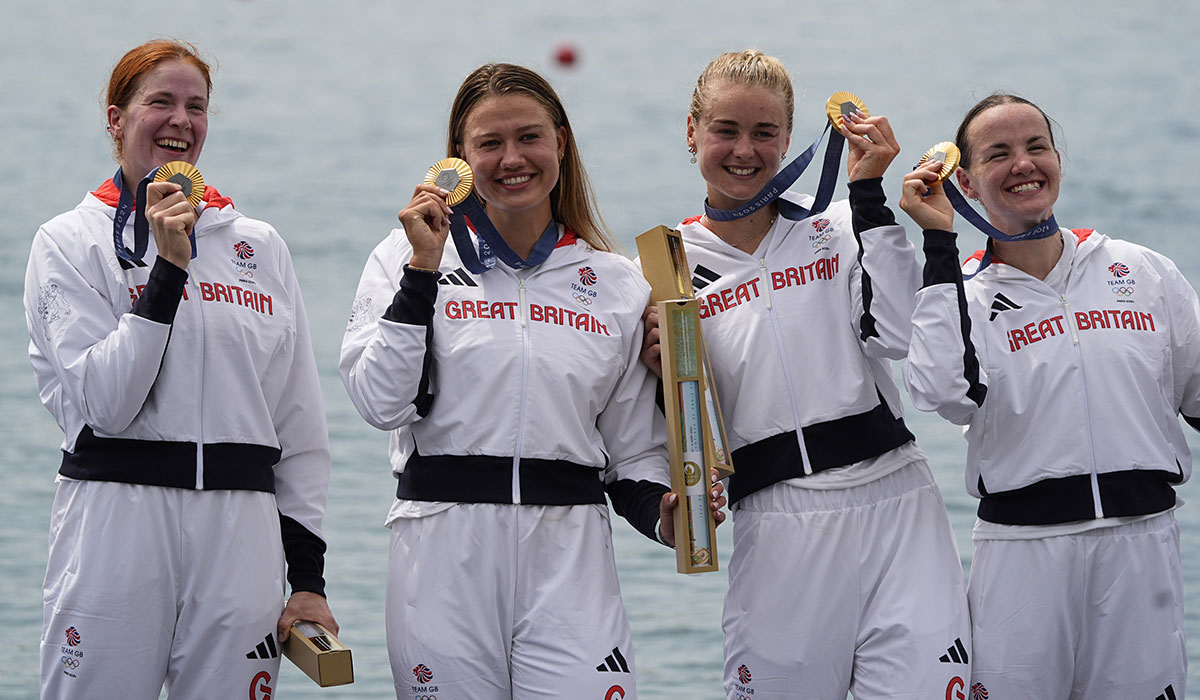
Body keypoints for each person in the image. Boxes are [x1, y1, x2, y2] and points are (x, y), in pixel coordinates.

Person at [339, 63, 724, 700]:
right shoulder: (404, 255)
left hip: (570, 554)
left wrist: (664, 513)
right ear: (459, 158)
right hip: (443, 550)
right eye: (489, 143)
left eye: (529, 138)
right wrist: (420, 272)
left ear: (562, 144)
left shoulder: (616, 281)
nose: (511, 159)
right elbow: (381, 401)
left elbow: (630, 450)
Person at [640, 50, 971, 700]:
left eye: (765, 132)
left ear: (789, 138)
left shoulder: (843, 225)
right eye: (725, 130)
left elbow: (902, 336)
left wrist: (871, 198)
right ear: (691, 132)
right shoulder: (660, 269)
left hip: (898, 506)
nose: (745, 150)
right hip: (777, 520)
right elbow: (651, 433)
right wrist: (663, 380)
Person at [24, 40, 337, 699]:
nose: (180, 120)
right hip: (117, 524)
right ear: (116, 119)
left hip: (240, 537)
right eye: (159, 102)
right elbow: (107, 404)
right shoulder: (67, 243)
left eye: (196, 107)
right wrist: (168, 271)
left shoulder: (259, 245)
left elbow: (299, 429)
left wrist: (307, 578)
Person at [901, 93, 1192, 700]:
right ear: (967, 183)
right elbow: (937, 388)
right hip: (1022, 555)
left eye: (1037, 146)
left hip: (1141, 546)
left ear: (1058, 158)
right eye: (998, 154)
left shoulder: (1142, 271)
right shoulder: (964, 296)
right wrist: (937, 246)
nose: (1024, 164)